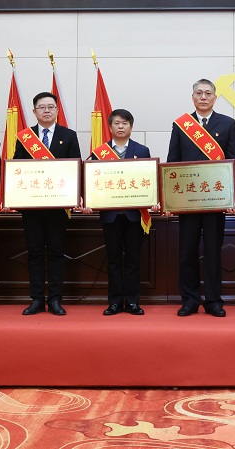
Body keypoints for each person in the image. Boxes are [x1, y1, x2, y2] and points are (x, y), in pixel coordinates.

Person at [166, 78, 235, 317]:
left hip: (216, 201)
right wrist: (169, 197)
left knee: (213, 252)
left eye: (208, 93)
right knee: (187, 251)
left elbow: (233, 161)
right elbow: (173, 161)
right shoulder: (181, 125)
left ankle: (213, 301)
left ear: (215, 98)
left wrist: (234, 195)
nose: (203, 97)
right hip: (187, 202)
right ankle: (189, 300)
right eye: (199, 93)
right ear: (193, 98)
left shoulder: (227, 124)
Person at [12, 91, 81, 316]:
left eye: (51, 107)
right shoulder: (25, 137)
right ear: (34, 112)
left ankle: (55, 299)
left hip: (58, 206)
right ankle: (36, 299)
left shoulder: (68, 136)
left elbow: (76, 167)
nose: (47, 110)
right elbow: (17, 169)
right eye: (42, 107)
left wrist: (76, 195)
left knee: (56, 251)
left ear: (57, 110)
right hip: (31, 206)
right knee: (34, 252)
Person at [86, 109, 157, 316]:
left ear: (131, 127)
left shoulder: (142, 150)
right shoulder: (99, 153)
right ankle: (115, 302)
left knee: (134, 259)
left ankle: (133, 301)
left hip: (134, 214)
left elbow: (149, 178)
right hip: (110, 215)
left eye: (125, 123)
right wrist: (88, 200)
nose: (120, 126)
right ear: (110, 127)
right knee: (114, 259)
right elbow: (93, 181)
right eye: (116, 123)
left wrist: (153, 199)